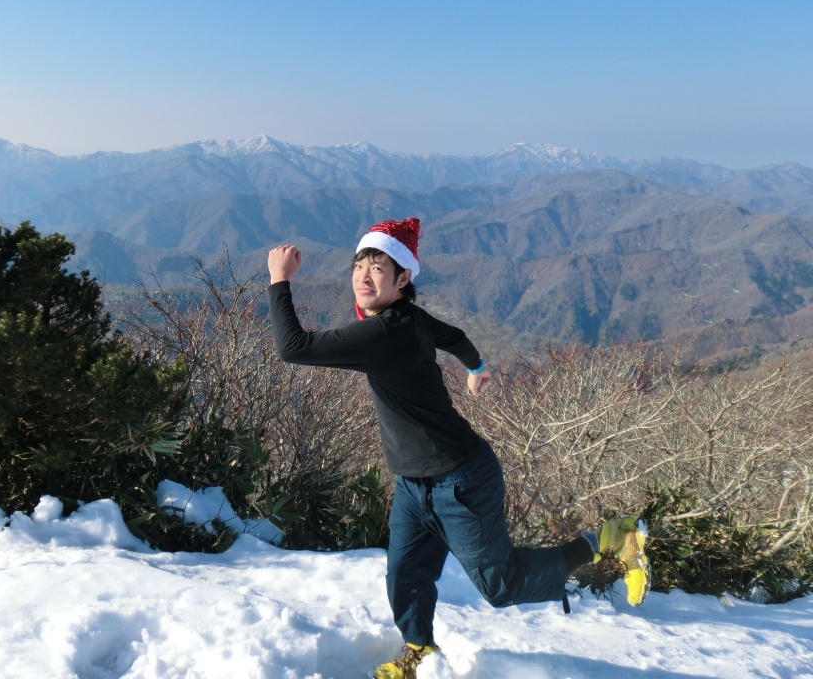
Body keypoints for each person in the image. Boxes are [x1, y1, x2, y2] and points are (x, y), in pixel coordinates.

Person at [267, 217, 650, 679]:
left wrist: (279, 280)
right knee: (405, 576)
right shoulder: (411, 319)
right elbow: (453, 337)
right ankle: (420, 654)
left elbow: (294, 348)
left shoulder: (386, 332)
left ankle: (609, 540)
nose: (364, 277)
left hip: (461, 479)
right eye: (359, 266)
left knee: (500, 585)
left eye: (378, 268)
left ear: (403, 278)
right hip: (414, 484)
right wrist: (477, 366)